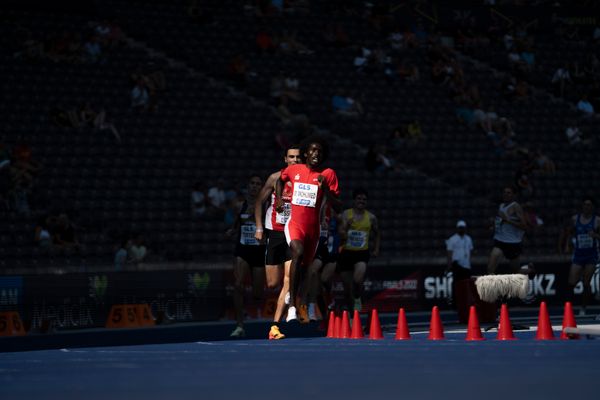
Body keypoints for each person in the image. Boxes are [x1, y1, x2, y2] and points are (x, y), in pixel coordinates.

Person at [276, 136, 341, 324]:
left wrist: (325, 189)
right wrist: (279, 198)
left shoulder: (328, 174)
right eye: (312, 150)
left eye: (319, 151)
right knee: (297, 251)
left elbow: (338, 207)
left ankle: (293, 295)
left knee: (305, 268)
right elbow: (280, 180)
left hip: (313, 229)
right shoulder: (294, 169)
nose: (316, 154)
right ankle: (292, 307)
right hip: (295, 224)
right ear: (305, 153)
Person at [254, 145, 301, 340]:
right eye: (291, 157)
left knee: (288, 280)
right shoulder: (275, 178)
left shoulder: (304, 180)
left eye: (298, 157)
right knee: (273, 283)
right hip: (274, 232)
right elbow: (259, 202)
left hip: (293, 233)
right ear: (285, 159)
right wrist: (258, 228)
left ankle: (275, 326)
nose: (295, 160)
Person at [229, 175, 266, 338]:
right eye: (252, 183)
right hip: (243, 249)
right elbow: (237, 223)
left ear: (262, 187)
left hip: (259, 250)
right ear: (248, 186)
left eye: (258, 184)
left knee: (257, 294)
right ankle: (239, 325)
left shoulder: (267, 205)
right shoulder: (239, 205)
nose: (255, 186)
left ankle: (246, 309)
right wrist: (232, 230)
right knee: (238, 285)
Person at [337, 188, 380, 312]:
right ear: (354, 200)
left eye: (364, 199)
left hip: (362, 253)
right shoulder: (346, 214)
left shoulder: (371, 218)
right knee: (346, 289)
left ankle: (357, 298)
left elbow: (377, 233)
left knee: (357, 279)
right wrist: (346, 226)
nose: (361, 201)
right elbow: (341, 233)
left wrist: (376, 249)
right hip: (346, 253)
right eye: (359, 199)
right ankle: (352, 315)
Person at [559, 197, 600, 316]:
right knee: (571, 283)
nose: (587, 207)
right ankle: (568, 308)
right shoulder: (575, 219)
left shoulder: (597, 220)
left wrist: (595, 235)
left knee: (586, 283)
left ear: (592, 207)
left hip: (591, 256)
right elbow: (569, 232)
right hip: (578, 255)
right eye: (585, 204)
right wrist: (567, 245)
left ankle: (583, 308)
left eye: (589, 205)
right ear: (582, 206)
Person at [487, 186, 528, 274]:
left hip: (513, 243)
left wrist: (508, 221)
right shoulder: (501, 205)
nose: (506, 194)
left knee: (515, 271)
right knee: (490, 268)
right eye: (504, 192)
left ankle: (530, 271)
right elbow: (500, 221)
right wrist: (494, 227)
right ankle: (494, 287)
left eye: (508, 192)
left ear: (513, 195)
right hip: (500, 241)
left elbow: (524, 226)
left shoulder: (516, 206)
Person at [445, 220, 474, 306]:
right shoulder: (452, 239)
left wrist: (469, 263)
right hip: (457, 265)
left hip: (466, 266)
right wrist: (449, 265)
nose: (462, 229)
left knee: (467, 285)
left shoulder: (468, 239)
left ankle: (466, 302)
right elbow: (449, 254)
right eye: (460, 228)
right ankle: (455, 303)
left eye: (463, 228)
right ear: (457, 228)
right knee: (457, 285)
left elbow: (470, 252)